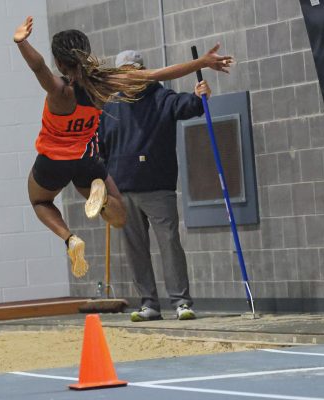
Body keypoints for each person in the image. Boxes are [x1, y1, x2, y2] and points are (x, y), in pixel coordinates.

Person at [13, 17, 233, 279]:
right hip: (85, 158)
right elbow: (157, 74)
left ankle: (69, 238)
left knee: (40, 201)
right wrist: (201, 63)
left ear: (59, 63)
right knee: (119, 216)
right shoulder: (103, 84)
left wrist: (21, 42)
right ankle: (103, 199)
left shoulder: (60, 90)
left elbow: (38, 67)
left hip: (53, 160)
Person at [99, 50, 211, 321]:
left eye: (134, 70)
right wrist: (101, 183)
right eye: (124, 71)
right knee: (135, 250)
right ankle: (149, 304)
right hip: (122, 190)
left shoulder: (161, 97)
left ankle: (181, 302)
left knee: (169, 244)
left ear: (144, 70)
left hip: (158, 187)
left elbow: (187, 106)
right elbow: (100, 146)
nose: (130, 76)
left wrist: (199, 96)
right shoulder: (109, 108)